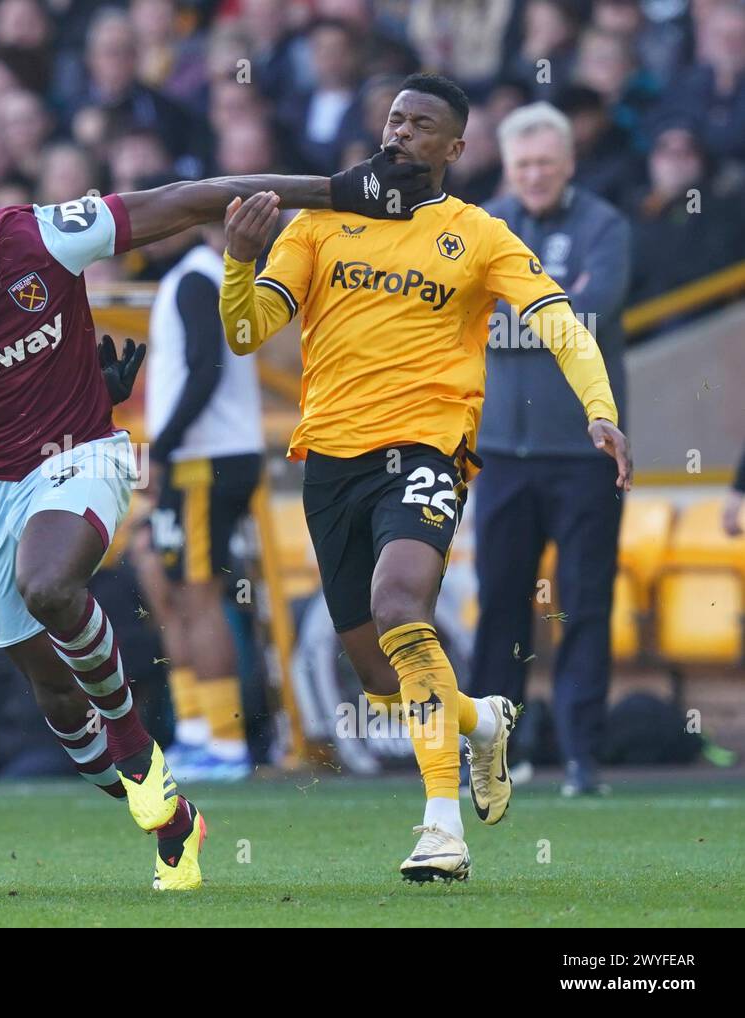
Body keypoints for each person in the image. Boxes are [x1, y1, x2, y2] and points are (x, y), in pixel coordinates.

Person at [0, 151, 433, 890]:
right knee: (59, 700)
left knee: (49, 586)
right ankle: (174, 823)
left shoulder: (43, 238)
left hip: (87, 453)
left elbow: (190, 197)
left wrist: (338, 192)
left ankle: (144, 754)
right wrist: (31, 388)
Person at [218, 74, 632, 882]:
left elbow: (558, 320)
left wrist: (599, 407)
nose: (402, 132)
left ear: (456, 148)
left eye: (422, 125)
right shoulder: (322, 222)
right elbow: (246, 330)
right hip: (331, 459)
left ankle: (442, 827)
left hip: (428, 450)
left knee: (401, 604)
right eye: (395, 119)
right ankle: (481, 721)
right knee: (379, 673)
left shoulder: (478, 234)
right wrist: (240, 260)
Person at [471, 102, 631, 798]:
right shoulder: (483, 224)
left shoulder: (605, 224)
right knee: (500, 606)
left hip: (584, 452)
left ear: (569, 163)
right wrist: (552, 310)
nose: (534, 175)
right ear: (509, 166)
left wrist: (510, 314)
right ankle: (494, 756)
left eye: (546, 162)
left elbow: (598, 312)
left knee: (583, 605)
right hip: (502, 451)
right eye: (523, 164)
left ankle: (580, 759)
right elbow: (463, 312)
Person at [142, 222, 263, 781]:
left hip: (205, 457)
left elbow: (205, 366)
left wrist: (163, 446)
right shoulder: (202, 277)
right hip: (211, 454)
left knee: (198, 593)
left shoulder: (195, 278)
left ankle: (225, 739)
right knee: (174, 590)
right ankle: (195, 732)